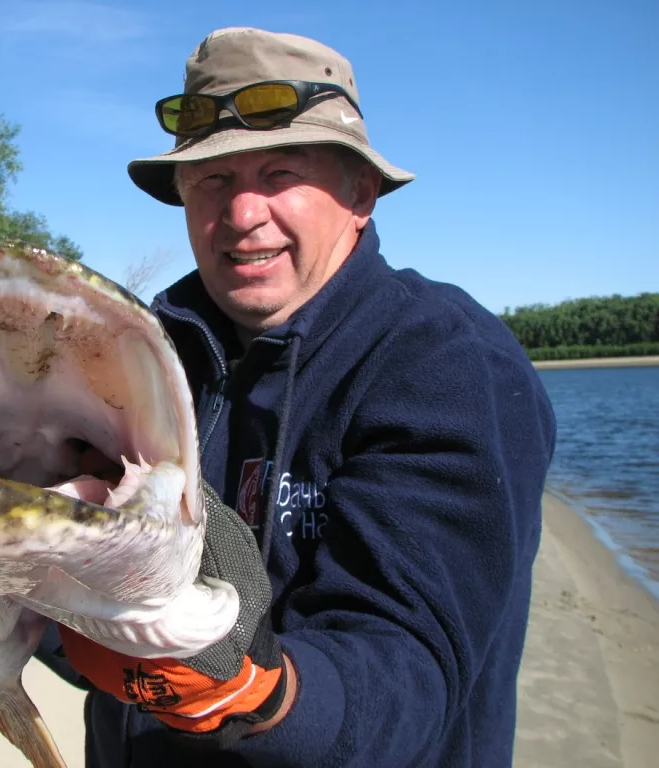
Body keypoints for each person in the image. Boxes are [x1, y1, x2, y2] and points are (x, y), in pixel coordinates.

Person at [35, 26, 557, 767]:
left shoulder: (446, 365)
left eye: (280, 173)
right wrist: (21, 599)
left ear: (360, 193)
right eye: (213, 180)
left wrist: (253, 694)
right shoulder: (138, 359)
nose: (243, 214)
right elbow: (90, 636)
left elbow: (405, 675)